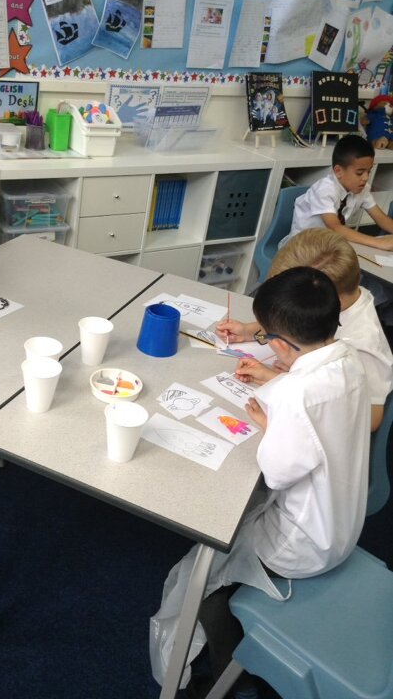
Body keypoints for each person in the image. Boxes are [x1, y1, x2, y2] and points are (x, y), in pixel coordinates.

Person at [151, 267, 371, 699]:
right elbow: (322, 417)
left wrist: (273, 428)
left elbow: (278, 472)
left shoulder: (295, 395)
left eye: (267, 337)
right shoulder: (349, 359)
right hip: (346, 522)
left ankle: (228, 677)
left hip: (304, 543)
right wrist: (279, 402)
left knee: (201, 578)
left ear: (281, 344)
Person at [216, 229, 393, 430]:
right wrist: (249, 330)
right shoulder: (346, 299)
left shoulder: (363, 344)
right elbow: (294, 321)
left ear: (328, 298)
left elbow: (372, 419)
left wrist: (284, 380)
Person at [279, 134, 393, 251]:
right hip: (300, 248)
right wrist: (378, 242)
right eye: (359, 173)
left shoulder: (361, 189)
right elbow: (335, 227)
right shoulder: (325, 190)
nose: (365, 178)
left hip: (328, 245)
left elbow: (381, 218)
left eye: (369, 172)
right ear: (338, 171)